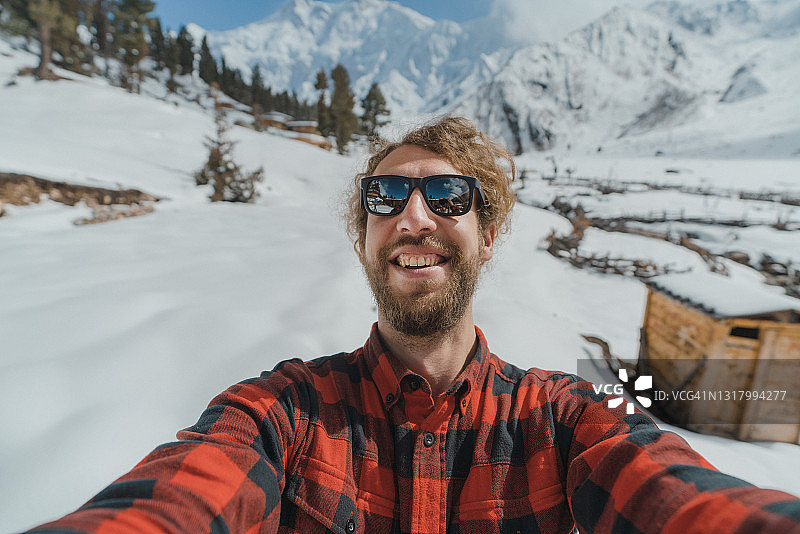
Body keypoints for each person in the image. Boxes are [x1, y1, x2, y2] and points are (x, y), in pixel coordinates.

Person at [27, 117, 800, 534]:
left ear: (488, 235)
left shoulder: (565, 418)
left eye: (449, 197)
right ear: (363, 236)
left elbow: (675, 495)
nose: (414, 217)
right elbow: (178, 502)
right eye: (386, 197)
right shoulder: (286, 413)